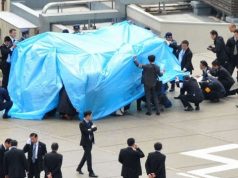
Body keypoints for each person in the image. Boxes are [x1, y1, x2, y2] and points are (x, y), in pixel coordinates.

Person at [76, 111, 98, 177]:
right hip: (85, 142)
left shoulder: (90, 122)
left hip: (90, 141)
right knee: (89, 156)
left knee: (86, 155)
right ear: (87, 116)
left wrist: (92, 129)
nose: (91, 117)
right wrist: (91, 129)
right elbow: (85, 131)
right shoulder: (81, 123)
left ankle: (79, 168)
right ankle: (90, 172)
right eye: (91, 115)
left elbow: (94, 128)